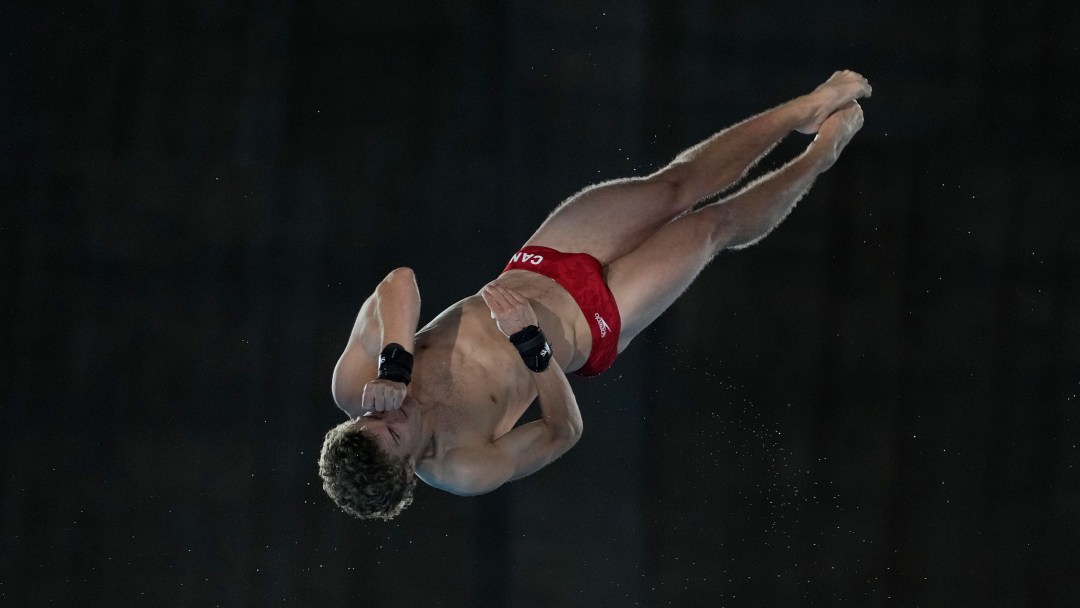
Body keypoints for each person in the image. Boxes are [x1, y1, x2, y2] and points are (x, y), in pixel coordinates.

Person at [318, 70, 872, 520]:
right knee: (708, 229)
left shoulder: (356, 384)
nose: (395, 412)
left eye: (374, 419)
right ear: (411, 469)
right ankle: (816, 158)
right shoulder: (465, 468)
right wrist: (533, 349)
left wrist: (393, 363)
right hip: (594, 321)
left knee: (672, 186)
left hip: (540, 263)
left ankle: (803, 109)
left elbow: (399, 282)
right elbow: (564, 430)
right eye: (396, 433)